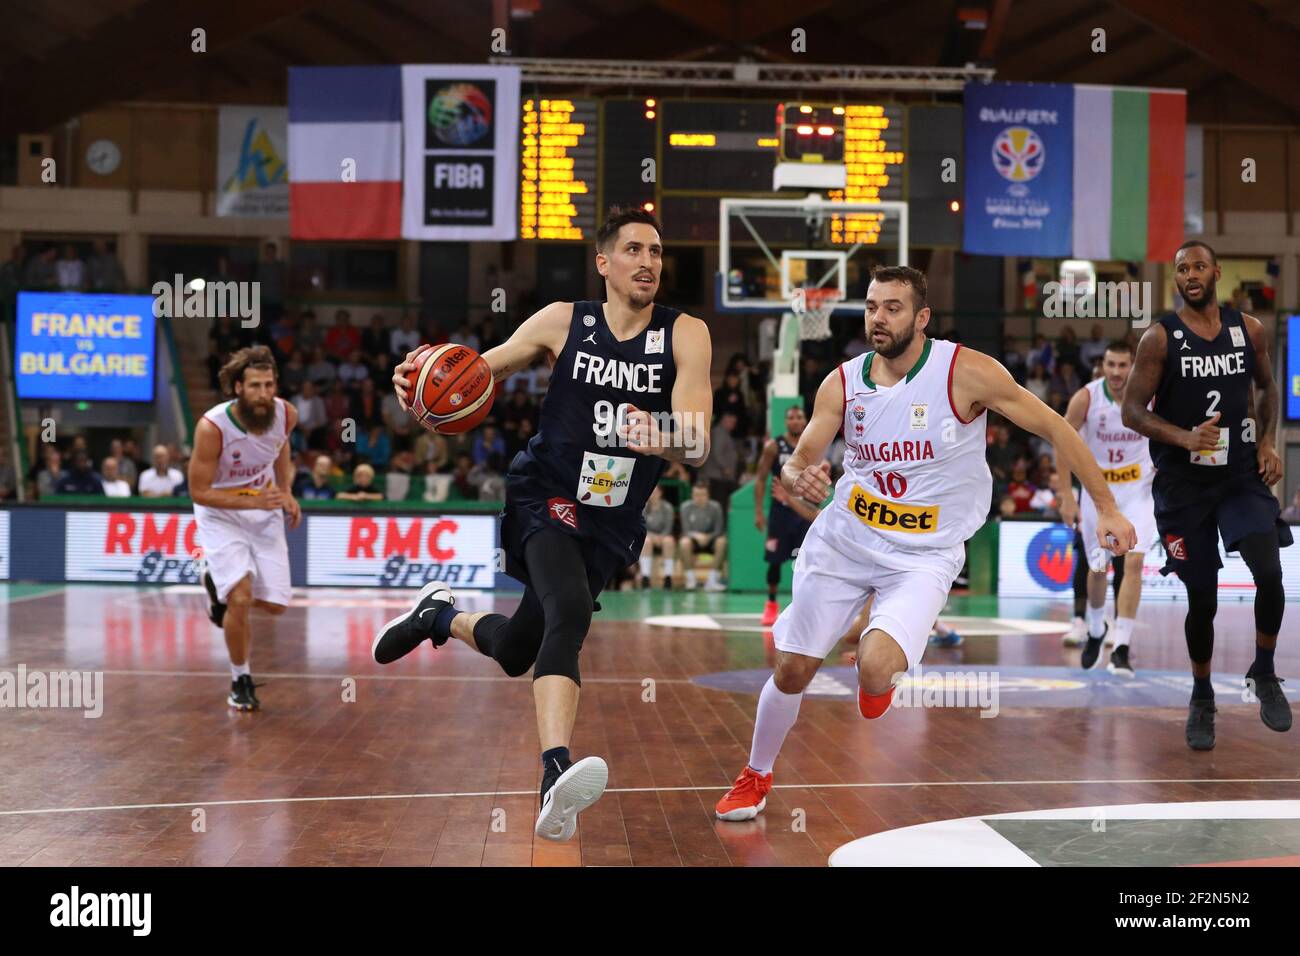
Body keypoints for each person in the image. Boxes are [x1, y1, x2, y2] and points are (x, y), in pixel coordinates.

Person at [714, 265, 1135, 821]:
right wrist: (797, 475)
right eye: (871, 307)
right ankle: (756, 773)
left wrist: (1105, 505)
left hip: (922, 555)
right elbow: (801, 459)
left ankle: (877, 679)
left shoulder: (964, 372)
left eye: (892, 307)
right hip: (846, 541)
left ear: (922, 316)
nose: (879, 318)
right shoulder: (842, 382)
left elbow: (1058, 428)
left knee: (875, 667)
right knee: (792, 668)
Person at [371, 206, 713, 842]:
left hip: (613, 517)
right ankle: (555, 769)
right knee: (571, 614)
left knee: (516, 649)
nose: (649, 262)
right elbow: (486, 368)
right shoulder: (566, 320)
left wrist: (663, 431)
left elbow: (698, 442)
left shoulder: (686, 333)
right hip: (546, 492)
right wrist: (420, 381)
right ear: (604, 264)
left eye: (658, 252)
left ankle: (437, 617)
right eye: (635, 250)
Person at [1122, 240, 1291, 750]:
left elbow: (1267, 388)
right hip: (1183, 486)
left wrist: (1266, 441)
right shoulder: (1159, 338)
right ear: (1175, 280)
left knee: (1270, 572)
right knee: (1202, 599)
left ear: (1216, 271)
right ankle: (1201, 696)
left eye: (1198, 266)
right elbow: (1133, 411)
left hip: (1239, 474)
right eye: (1181, 269)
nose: (1190, 274)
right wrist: (1184, 437)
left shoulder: (1249, 330)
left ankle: (1263, 671)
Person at [188, 346, 300, 712]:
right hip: (220, 512)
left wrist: (285, 492)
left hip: (263, 507)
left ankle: (214, 582)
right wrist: (255, 499)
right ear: (237, 387)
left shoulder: (285, 414)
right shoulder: (212, 427)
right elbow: (199, 491)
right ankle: (241, 679)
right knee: (239, 597)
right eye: (255, 386)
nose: (263, 393)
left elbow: (280, 448)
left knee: (274, 605)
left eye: (269, 385)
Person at [1058, 340, 1155, 678]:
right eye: (1110, 365)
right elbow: (1061, 437)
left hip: (1139, 491)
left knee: (1135, 560)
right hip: (1098, 493)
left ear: (1133, 366)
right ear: (1103, 366)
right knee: (1098, 567)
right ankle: (1097, 628)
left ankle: (1123, 647)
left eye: (1122, 365)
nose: (1116, 372)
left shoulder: (1150, 395)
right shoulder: (1086, 397)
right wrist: (1066, 495)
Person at [755, 405, 820, 626]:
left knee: (801, 562)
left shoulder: (812, 445)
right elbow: (761, 478)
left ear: (805, 421)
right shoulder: (774, 446)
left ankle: (799, 607)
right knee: (774, 561)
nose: (795, 421)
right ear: (786, 422)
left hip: (803, 513)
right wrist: (758, 512)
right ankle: (771, 604)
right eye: (791, 417)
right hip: (779, 514)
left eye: (799, 417)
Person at [678, 481, 727, 591]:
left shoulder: (716, 507)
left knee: (722, 541)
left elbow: (719, 529)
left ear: (708, 495)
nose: (699, 497)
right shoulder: (685, 507)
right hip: (693, 540)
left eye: (702, 494)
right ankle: (691, 580)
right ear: (692, 495)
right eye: (696, 494)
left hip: (711, 540)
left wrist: (708, 537)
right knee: (684, 542)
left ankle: (712, 580)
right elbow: (685, 530)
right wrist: (696, 536)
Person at [640, 484, 676, 588]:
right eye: (651, 492)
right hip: (649, 536)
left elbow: (669, 526)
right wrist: (652, 536)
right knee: (646, 541)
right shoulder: (644, 506)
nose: (653, 495)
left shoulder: (667, 507)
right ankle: (645, 577)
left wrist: (661, 536)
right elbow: (642, 525)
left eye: (655, 492)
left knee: (669, 541)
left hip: (663, 537)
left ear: (660, 493)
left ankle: (668, 577)